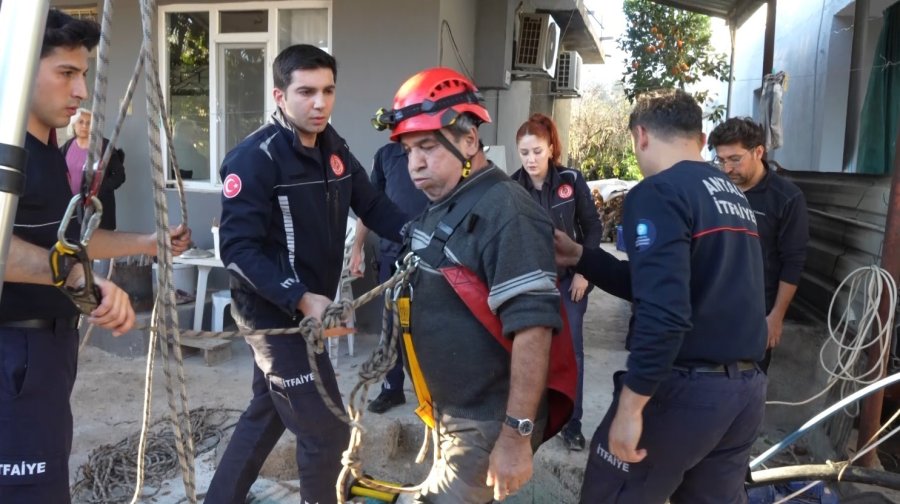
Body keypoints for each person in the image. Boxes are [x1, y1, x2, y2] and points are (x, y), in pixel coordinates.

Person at [0, 10, 191, 503]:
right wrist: (82, 282)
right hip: (13, 355)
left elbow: (64, 241)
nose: (82, 91)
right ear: (18, 65)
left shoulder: (45, 150)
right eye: (66, 73)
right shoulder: (6, 149)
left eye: (83, 74)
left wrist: (149, 243)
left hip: (47, 355)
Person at [207, 44, 408, 504]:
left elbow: (373, 205)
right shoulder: (254, 159)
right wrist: (300, 297)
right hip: (273, 318)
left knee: (268, 411)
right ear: (280, 95)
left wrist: (422, 235)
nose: (319, 103)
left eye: (328, 90)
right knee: (326, 432)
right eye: (306, 92)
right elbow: (236, 249)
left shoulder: (335, 150)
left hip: (310, 312)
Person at [556, 89, 768, 504]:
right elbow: (662, 283)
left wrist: (633, 405)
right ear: (701, 140)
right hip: (743, 392)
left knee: (611, 493)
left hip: (686, 392)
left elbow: (665, 311)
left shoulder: (658, 192)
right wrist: (583, 256)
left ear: (641, 135)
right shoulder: (730, 194)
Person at [377, 67, 572, 503]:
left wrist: (516, 437)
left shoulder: (507, 211)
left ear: (469, 140)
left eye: (427, 146)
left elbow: (534, 329)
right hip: (449, 417)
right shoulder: (446, 201)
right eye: (409, 151)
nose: (415, 164)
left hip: (485, 424)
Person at [511, 113, 602, 451]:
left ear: (550, 148)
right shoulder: (511, 186)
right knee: (529, 351)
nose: (531, 159)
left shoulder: (570, 180)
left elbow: (592, 228)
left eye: (537, 151)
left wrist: (585, 271)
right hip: (530, 285)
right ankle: (531, 418)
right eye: (524, 153)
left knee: (572, 352)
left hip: (569, 282)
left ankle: (572, 423)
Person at [708, 117, 809, 373]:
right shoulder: (715, 190)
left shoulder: (785, 198)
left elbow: (793, 261)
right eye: (721, 160)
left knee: (748, 385)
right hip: (713, 305)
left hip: (757, 311)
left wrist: (776, 316)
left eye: (735, 159)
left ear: (759, 152)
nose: (727, 168)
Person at [348, 142, 429, 414]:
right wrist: (357, 248)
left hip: (431, 257)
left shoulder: (436, 148)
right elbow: (369, 206)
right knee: (390, 327)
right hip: (392, 256)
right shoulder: (385, 156)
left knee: (432, 326)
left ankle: (435, 394)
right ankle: (392, 389)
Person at [61, 108, 126, 230]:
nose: (84, 126)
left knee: (100, 245)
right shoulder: (66, 147)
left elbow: (119, 176)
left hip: (99, 207)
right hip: (72, 209)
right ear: (73, 125)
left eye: (88, 123)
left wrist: (98, 191)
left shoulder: (105, 146)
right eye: (80, 122)